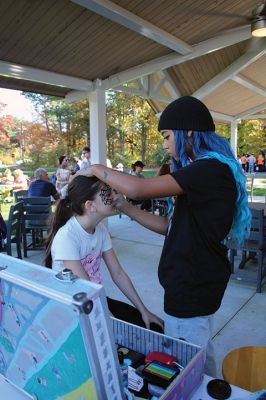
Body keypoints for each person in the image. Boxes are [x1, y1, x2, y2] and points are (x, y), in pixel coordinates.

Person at [78, 96, 251, 376]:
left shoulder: (209, 169)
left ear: (189, 132)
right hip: (196, 284)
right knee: (200, 353)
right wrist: (124, 206)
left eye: (167, 135)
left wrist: (96, 168)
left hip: (191, 287)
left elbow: (139, 188)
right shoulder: (207, 171)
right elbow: (167, 226)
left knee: (186, 366)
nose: (164, 143)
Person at [44, 175, 163, 332]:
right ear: (90, 206)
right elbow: (86, 287)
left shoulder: (100, 230)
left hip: (94, 300)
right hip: (72, 308)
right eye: (107, 194)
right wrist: (109, 319)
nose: (114, 196)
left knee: (151, 327)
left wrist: (143, 310)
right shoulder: (68, 236)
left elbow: (118, 274)